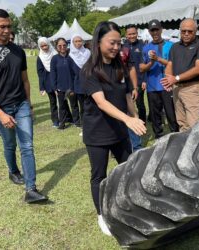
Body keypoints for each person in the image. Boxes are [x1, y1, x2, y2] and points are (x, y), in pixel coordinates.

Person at [0, 9, 48, 203]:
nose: (7, 30)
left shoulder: (18, 51)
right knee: (9, 144)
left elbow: (25, 80)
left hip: (21, 105)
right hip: (1, 108)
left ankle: (30, 189)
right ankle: (13, 171)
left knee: (27, 146)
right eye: (2, 27)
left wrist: (29, 105)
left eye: (9, 26)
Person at [80, 21, 146, 235]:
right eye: (112, 43)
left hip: (118, 130)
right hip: (97, 132)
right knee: (99, 175)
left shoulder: (120, 67)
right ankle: (102, 214)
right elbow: (101, 102)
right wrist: (128, 120)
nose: (117, 47)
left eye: (119, 43)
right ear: (98, 43)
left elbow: (127, 95)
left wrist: (134, 116)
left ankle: (130, 205)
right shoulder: (89, 70)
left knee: (129, 168)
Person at [161, 18, 199, 131]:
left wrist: (176, 78)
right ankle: (186, 147)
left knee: (193, 125)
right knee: (182, 123)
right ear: (180, 31)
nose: (186, 34)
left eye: (190, 31)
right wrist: (167, 80)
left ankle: (197, 147)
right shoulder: (175, 46)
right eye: (183, 31)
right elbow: (170, 65)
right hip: (177, 88)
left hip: (192, 87)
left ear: (195, 31)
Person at [140, 19, 179, 139]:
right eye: (152, 30)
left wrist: (158, 59)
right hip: (152, 86)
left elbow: (174, 64)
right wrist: (151, 62)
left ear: (161, 29)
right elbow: (142, 68)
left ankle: (175, 135)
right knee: (155, 114)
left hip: (168, 85)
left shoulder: (170, 46)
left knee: (171, 113)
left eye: (157, 29)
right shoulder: (146, 48)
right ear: (149, 32)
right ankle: (159, 137)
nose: (155, 32)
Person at [50, 37, 80, 129]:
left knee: (74, 106)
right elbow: (53, 73)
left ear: (67, 46)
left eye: (64, 45)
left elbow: (76, 73)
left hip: (71, 87)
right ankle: (62, 124)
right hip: (60, 87)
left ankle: (77, 122)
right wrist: (55, 88)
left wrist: (74, 86)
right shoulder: (54, 59)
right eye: (60, 45)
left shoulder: (71, 57)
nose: (62, 47)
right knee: (62, 107)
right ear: (56, 47)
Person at [124, 24, 146, 124]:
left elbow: (145, 65)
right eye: (129, 34)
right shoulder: (123, 46)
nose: (132, 36)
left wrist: (145, 80)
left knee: (140, 103)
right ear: (126, 34)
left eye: (134, 33)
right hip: (126, 81)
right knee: (128, 103)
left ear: (137, 33)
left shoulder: (143, 45)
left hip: (140, 81)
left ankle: (142, 123)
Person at [68, 34, 91, 135]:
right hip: (78, 85)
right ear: (72, 43)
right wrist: (71, 88)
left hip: (89, 83)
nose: (78, 43)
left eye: (80, 41)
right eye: (75, 41)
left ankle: (93, 126)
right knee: (82, 107)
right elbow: (70, 74)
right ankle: (84, 127)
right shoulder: (70, 56)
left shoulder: (88, 53)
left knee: (91, 105)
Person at [37, 37, 59, 127]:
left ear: (48, 44)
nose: (44, 47)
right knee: (53, 102)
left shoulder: (55, 54)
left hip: (58, 81)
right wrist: (42, 87)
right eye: (42, 46)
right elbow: (40, 73)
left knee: (63, 101)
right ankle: (55, 121)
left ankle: (68, 118)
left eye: (45, 45)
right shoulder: (40, 58)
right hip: (48, 83)